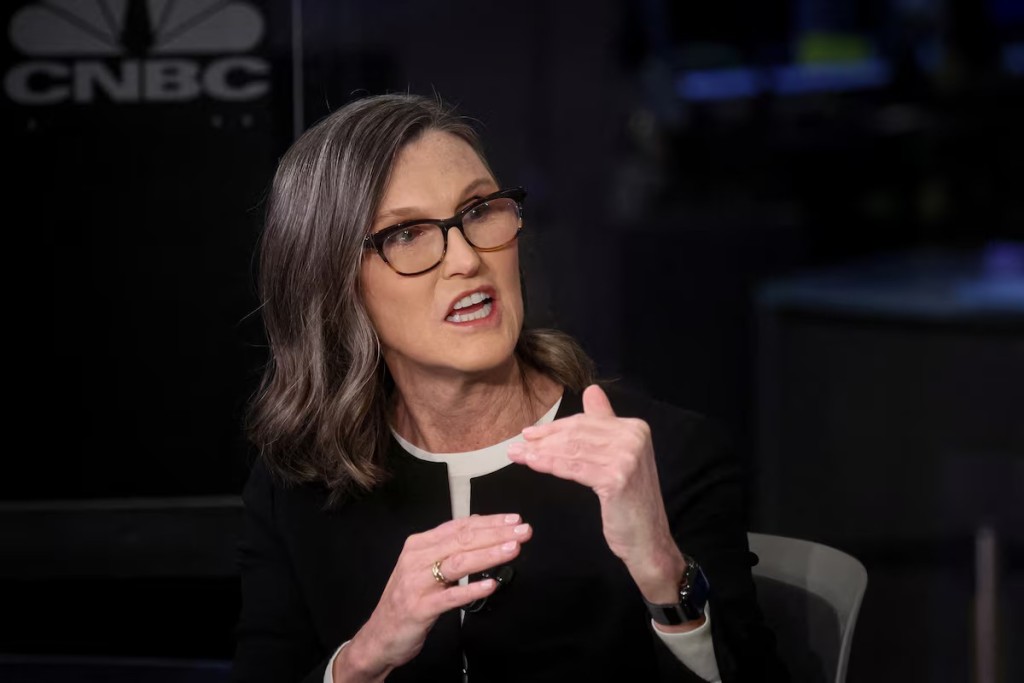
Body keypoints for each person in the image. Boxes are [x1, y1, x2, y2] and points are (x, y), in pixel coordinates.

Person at [231, 93, 787, 683]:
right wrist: (364, 657)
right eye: (407, 233)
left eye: (478, 210)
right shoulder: (296, 483)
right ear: (333, 280)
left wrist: (659, 567)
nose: (466, 259)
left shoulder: (668, 454)